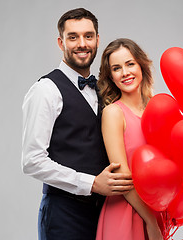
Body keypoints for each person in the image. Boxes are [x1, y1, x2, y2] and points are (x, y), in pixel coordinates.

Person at [21, 8, 134, 240]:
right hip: (64, 214)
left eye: (88, 36)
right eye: (73, 37)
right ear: (61, 42)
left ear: (97, 40)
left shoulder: (105, 89)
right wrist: (91, 183)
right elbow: (32, 161)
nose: (82, 44)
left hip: (106, 213)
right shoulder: (46, 90)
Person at [96, 38, 163, 240]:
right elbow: (121, 176)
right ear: (111, 77)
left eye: (130, 64)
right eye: (116, 68)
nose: (125, 73)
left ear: (141, 65)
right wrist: (151, 222)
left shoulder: (158, 108)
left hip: (156, 212)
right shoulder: (113, 113)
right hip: (125, 212)